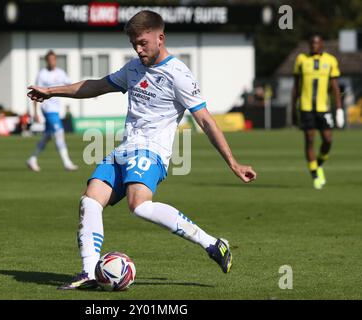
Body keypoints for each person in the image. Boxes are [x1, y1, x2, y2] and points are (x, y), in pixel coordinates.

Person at [27, 10, 257, 290]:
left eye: (143, 43)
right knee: (89, 201)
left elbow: (206, 121)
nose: (138, 49)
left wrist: (233, 163)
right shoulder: (133, 69)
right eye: (134, 44)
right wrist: (53, 91)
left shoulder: (179, 75)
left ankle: (212, 244)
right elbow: (97, 86)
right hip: (125, 148)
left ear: (160, 38)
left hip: (152, 151)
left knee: (139, 205)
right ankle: (88, 272)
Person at [291, 34, 344, 190]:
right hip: (306, 107)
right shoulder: (301, 60)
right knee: (309, 140)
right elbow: (296, 87)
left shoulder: (330, 60)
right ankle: (315, 175)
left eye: (316, 43)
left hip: (323, 108)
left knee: (327, 140)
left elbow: (335, 87)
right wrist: (293, 109)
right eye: (311, 43)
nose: (314, 45)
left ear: (322, 45)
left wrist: (339, 109)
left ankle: (318, 164)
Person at [26, 50, 78, 172]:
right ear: (46, 61)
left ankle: (32, 159)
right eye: (50, 60)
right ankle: (67, 163)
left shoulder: (61, 73)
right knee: (59, 132)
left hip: (56, 109)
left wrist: (90, 91)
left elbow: (71, 86)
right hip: (47, 109)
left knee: (48, 136)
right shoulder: (42, 74)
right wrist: (35, 113)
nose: (52, 62)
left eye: (54, 59)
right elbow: (36, 93)